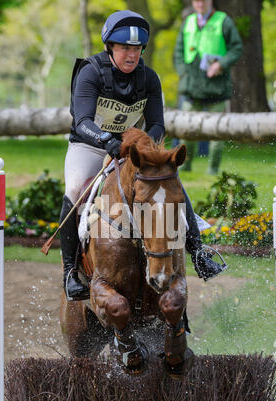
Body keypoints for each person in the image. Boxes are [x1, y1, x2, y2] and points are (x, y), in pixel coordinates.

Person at [60, 9, 225, 302]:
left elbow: (157, 123)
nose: (131, 54)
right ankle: (70, 273)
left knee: (168, 184)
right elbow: (83, 121)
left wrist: (142, 146)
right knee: (74, 189)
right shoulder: (90, 72)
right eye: (124, 47)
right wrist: (107, 139)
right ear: (110, 47)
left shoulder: (148, 78)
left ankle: (198, 252)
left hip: (133, 149)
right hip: (90, 144)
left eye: (136, 49)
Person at [174, 0, 243, 173]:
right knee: (186, 130)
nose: (200, 4)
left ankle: (213, 169)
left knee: (217, 132)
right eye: (197, 0)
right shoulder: (188, 21)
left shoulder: (223, 20)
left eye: (204, 0)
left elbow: (236, 48)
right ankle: (185, 167)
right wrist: (183, 72)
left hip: (216, 87)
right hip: (191, 87)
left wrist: (221, 64)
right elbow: (178, 52)